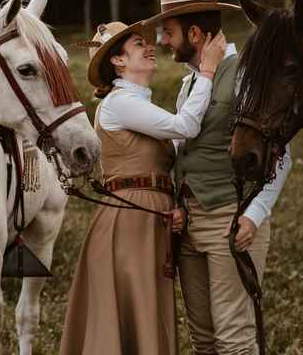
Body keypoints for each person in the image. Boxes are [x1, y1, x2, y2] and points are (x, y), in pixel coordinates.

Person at [143, 0, 293, 354]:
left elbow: (282, 153)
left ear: (194, 33)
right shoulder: (190, 82)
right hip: (191, 224)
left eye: (169, 33)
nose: (163, 42)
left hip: (231, 218)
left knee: (234, 340)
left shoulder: (243, 74)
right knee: (204, 340)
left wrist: (255, 214)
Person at [59, 20, 226, 355]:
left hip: (151, 215)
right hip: (129, 219)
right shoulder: (120, 102)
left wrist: (174, 202)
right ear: (118, 61)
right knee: (131, 303)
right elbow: (186, 126)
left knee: (148, 305)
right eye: (138, 44)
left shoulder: (142, 106)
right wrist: (207, 72)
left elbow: (172, 157)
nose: (151, 46)